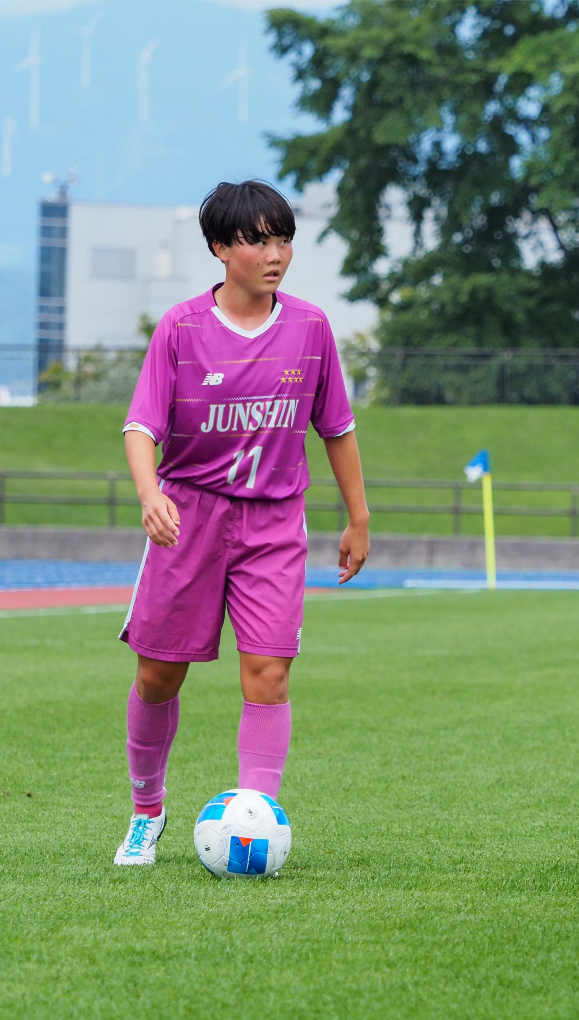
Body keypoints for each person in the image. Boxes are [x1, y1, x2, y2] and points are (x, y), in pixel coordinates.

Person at [113, 180, 370, 866]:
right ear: (221, 248)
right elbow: (142, 427)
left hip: (274, 522)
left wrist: (359, 518)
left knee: (268, 673)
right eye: (257, 239)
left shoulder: (311, 328)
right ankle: (146, 811)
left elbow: (337, 428)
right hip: (188, 516)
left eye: (282, 237)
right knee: (158, 677)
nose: (274, 252)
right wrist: (150, 494)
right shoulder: (182, 328)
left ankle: (255, 821)